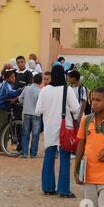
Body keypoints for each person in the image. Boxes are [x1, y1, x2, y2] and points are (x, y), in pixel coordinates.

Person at [36, 65, 80, 198]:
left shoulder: (44, 91)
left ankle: (47, 187)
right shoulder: (68, 90)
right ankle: (63, 190)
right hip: (65, 128)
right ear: (64, 75)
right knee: (65, 158)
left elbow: (38, 110)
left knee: (49, 156)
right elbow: (75, 108)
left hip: (49, 128)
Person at [0, 69, 22, 153]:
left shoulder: (6, 84)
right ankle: (2, 148)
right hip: (1, 109)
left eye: (14, 77)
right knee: (3, 129)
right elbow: (10, 93)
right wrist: (21, 90)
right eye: (11, 77)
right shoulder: (7, 85)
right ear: (6, 78)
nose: (13, 79)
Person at [19, 74, 42, 159]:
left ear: (33, 80)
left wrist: (24, 104)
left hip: (26, 113)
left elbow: (20, 98)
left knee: (25, 133)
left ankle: (24, 153)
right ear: (40, 82)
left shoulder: (26, 88)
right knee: (35, 135)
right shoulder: (40, 91)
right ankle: (33, 154)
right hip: (36, 114)